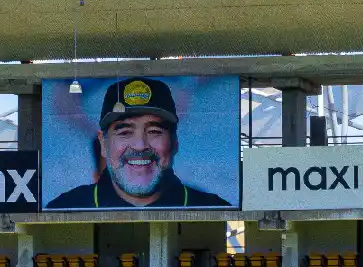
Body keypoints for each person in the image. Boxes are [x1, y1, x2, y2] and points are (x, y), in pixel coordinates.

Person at [46, 78, 231, 209]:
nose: (140, 145)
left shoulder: (211, 207)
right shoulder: (63, 207)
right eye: (125, 132)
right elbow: (61, 99)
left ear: (174, 143)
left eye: (154, 132)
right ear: (103, 143)